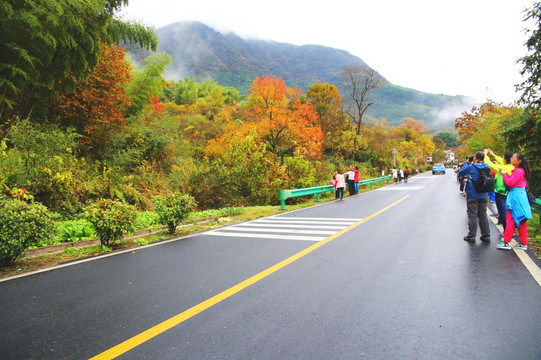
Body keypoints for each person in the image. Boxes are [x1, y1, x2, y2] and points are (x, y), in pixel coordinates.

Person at [496, 153, 532, 250]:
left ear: (519, 161)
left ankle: (506, 242)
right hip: (521, 196)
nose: (511, 159)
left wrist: (504, 174)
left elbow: (510, 182)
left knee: (510, 218)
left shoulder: (517, 171)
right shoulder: (521, 171)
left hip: (515, 198)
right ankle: (523, 242)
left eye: (513, 157)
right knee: (521, 220)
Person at [458, 151, 491, 242]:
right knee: (483, 215)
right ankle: (486, 235)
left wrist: (467, 163)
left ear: (475, 158)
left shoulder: (472, 166)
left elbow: (461, 172)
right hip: (483, 194)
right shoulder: (487, 166)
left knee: (472, 215)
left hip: (473, 194)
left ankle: (472, 235)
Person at [484, 149, 513, 237]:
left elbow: (489, 164)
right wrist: (493, 154)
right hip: (509, 192)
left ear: (505, 159)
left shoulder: (502, 167)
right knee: (509, 212)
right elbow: (501, 161)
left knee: (503, 212)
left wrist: (485, 154)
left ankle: (506, 231)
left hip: (500, 193)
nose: (502, 159)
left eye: (503, 157)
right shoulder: (512, 167)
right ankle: (510, 230)